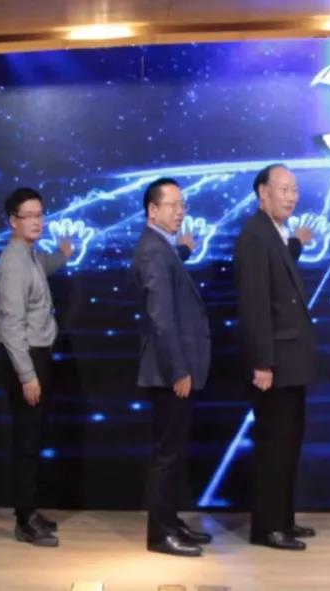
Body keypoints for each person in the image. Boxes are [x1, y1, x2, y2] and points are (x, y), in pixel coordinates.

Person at [233, 163, 316, 551]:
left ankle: (283, 519)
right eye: (283, 189)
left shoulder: (275, 232)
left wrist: (296, 243)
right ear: (262, 193)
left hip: (292, 362)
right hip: (275, 363)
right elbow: (254, 304)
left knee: (288, 443)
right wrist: (262, 362)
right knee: (273, 447)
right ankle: (267, 528)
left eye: (294, 189)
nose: (291, 196)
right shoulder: (255, 235)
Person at [131, 177, 214, 556]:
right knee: (167, 454)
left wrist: (182, 250)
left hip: (175, 368)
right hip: (169, 372)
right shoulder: (152, 250)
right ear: (153, 210)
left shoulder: (162, 246)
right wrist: (179, 370)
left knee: (175, 451)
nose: (180, 211)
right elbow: (161, 317)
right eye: (173, 205)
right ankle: (160, 533)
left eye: (183, 205)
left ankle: (171, 521)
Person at [0, 187, 70, 547]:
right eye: (30, 216)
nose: (38, 222)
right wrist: (27, 375)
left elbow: (45, 268)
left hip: (38, 354)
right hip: (26, 358)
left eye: (41, 215)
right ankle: (24, 520)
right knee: (26, 442)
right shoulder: (14, 263)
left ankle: (30, 510)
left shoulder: (31, 255)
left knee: (34, 438)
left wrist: (63, 255)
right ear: (13, 221)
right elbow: (11, 326)